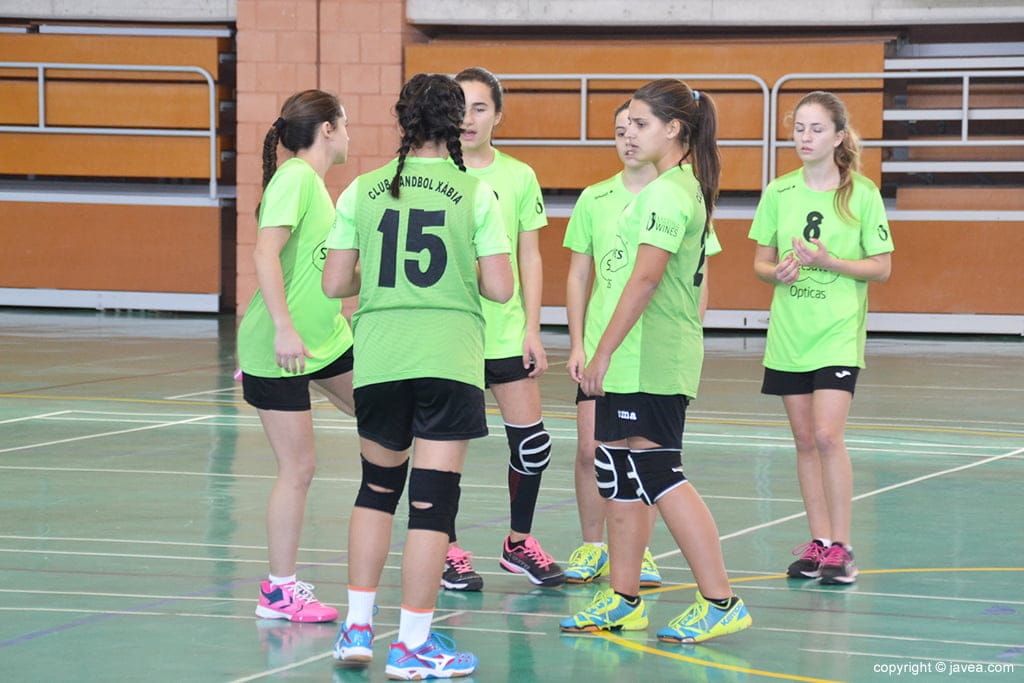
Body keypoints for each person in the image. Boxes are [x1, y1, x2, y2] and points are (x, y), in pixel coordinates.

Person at [323, 73, 513, 679]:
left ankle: (356, 630)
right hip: (447, 358)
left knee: (375, 490)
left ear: (402, 121)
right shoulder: (476, 192)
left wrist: (378, 279)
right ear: (456, 124)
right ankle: (410, 645)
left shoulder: (363, 189)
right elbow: (500, 287)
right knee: (432, 505)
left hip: (379, 357)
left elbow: (334, 284)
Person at [559, 79, 751, 644]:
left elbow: (644, 280)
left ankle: (720, 600)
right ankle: (623, 599)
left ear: (674, 129)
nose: (629, 133)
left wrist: (602, 351)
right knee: (618, 476)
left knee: (659, 473)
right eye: (628, 124)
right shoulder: (671, 189)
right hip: (635, 359)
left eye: (641, 123)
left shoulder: (670, 193)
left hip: (649, 358)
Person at [749, 90, 893, 585]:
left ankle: (843, 548)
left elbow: (882, 267)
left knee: (829, 436)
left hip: (836, 335)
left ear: (837, 136)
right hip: (790, 335)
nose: (805, 138)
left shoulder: (862, 195)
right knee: (805, 440)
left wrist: (830, 262)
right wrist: (778, 274)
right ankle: (820, 543)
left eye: (815, 129)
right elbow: (759, 263)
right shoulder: (779, 192)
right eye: (798, 129)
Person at [440, 66, 565, 591]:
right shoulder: (431, 173)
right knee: (444, 451)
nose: (468, 118)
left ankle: (518, 543)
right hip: (450, 335)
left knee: (532, 445)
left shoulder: (519, 176)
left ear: (498, 115)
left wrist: (532, 328)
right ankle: (446, 549)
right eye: (460, 107)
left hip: (506, 331)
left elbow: (529, 257)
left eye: (480, 108)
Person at [237, 89, 354, 624]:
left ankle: (437, 543)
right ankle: (279, 592)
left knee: (389, 411)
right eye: (346, 123)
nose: (350, 133)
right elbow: (263, 251)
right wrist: (283, 328)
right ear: (327, 128)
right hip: (279, 347)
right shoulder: (295, 178)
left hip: (327, 339)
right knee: (299, 468)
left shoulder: (318, 187)